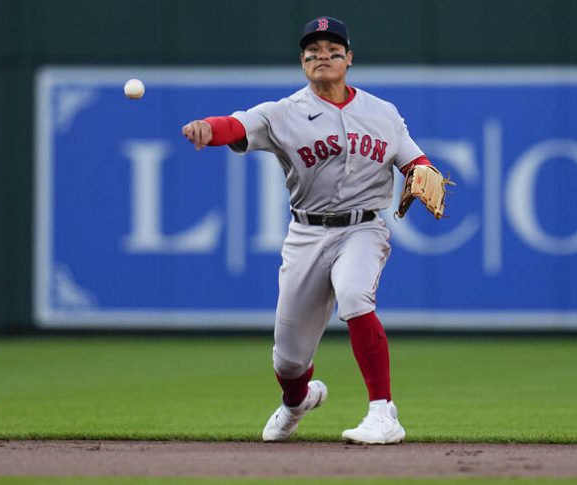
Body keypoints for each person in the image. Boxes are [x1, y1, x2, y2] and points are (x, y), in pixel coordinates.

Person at [182, 15, 437, 445]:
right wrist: (210, 128)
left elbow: (415, 160)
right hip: (306, 234)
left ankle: (383, 413)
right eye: (313, 51)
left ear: (349, 58)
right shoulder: (283, 113)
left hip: (363, 228)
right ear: (303, 62)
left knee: (356, 297)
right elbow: (237, 125)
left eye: (333, 50)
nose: (323, 56)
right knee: (288, 361)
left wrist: (422, 170)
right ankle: (297, 401)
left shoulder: (383, 113)